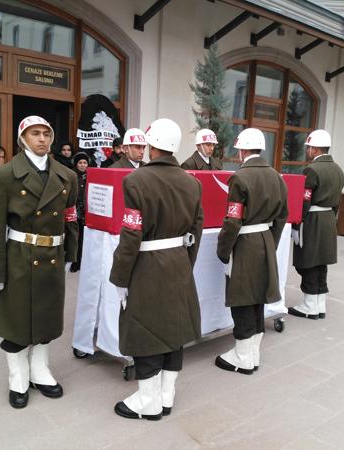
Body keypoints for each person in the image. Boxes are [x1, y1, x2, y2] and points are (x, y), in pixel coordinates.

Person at [109, 118, 203, 421]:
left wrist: (120, 275)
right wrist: (186, 263)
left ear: (151, 146)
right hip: (178, 260)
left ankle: (147, 401)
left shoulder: (135, 181)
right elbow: (196, 229)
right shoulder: (192, 181)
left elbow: (131, 233)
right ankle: (166, 395)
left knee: (145, 328)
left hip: (147, 264)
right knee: (174, 327)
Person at [0, 115, 78, 409]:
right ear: (22, 139)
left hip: (52, 256)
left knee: (46, 319)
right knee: (16, 321)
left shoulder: (66, 175)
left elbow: (70, 217)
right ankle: (18, 376)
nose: (42, 139)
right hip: (19, 258)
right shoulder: (3, 175)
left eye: (46, 134)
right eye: (35, 134)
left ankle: (40, 370)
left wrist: (71, 255)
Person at [215, 128, 288, 374]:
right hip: (265, 239)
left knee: (243, 298)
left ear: (242, 151)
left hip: (245, 242)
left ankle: (243, 357)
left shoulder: (240, 178)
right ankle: (252, 353)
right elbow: (282, 215)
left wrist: (223, 250)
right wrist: (272, 242)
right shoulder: (277, 176)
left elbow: (233, 220)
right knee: (257, 297)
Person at [288, 129, 344, 320]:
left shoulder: (312, 169)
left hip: (312, 220)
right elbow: (338, 201)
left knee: (308, 261)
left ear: (315, 148)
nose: (308, 150)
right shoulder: (338, 169)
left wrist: (296, 223)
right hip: (328, 219)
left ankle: (310, 305)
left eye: (309, 147)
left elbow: (305, 200)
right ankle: (319, 304)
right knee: (321, 262)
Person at [69, 152, 89, 273]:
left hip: (86, 213)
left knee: (84, 239)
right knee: (75, 238)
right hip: (74, 212)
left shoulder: (91, 176)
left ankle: (82, 262)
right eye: (80, 163)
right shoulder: (72, 176)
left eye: (85, 163)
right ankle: (74, 262)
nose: (82, 165)